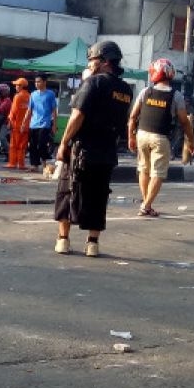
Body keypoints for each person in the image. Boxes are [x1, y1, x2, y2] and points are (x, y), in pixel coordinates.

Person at [53, 40, 131, 257]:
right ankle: (92, 244)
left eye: (92, 60)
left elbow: (77, 116)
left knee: (67, 192)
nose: (90, 64)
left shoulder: (94, 83)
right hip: (106, 152)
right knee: (98, 196)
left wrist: (64, 143)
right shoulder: (125, 90)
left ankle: (63, 240)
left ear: (104, 61)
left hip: (82, 150)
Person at [127, 58, 194, 217]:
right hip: (160, 138)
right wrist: (191, 141)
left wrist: (131, 136)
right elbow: (184, 122)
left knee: (143, 169)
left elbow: (132, 116)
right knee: (157, 173)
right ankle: (146, 205)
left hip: (142, 135)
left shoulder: (146, 92)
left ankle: (146, 204)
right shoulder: (176, 96)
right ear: (170, 74)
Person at [28, 75, 58, 172]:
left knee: (42, 144)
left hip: (45, 123)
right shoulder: (33, 94)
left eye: (39, 81)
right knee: (32, 145)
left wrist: (54, 124)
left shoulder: (50, 94)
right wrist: (24, 122)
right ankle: (34, 165)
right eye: (36, 82)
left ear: (45, 82)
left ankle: (44, 163)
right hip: (33, 123)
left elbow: (54, 110)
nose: (37, 84)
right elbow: (29, 109)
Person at [5, 78, 30, 170]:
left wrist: (9, 122)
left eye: (17, 85)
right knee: (22, 146)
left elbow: (13, 111)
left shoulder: (17, 96)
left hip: (16, 125)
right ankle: (21, 164)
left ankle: (12, 163)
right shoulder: (29, 96)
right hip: (26, 126)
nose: (15, 87)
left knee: (14, 145)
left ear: (21, 86)